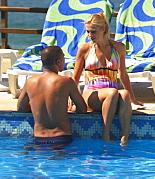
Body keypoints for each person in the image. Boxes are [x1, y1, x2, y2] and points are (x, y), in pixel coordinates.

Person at [72, 11, 143, 145]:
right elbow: (75, 77)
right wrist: (70, 98)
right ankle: (106, 135)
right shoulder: (85, 49)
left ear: (103, 29)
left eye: (93, 32)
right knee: (112, 92)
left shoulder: (119, 47)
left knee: (124, 93)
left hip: (112, 95)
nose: (89, 35)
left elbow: (123, 75)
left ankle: (124, 138)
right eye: (87, 32)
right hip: (91, 94)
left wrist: (132, 99)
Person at [16, 45, 87, 150]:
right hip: (62, 137)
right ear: (58, 61)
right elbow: (82, 109)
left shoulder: (30, 82)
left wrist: (36, 106)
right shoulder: (66, 81)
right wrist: (70, 108)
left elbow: (21, 108)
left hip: (39, 138)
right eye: (63, 59)